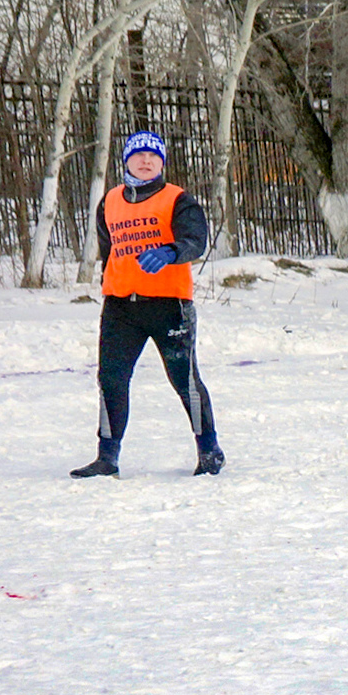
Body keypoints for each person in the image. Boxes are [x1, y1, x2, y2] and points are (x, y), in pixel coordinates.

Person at [70, 130, 223, 478]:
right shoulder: (109, 201)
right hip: (122, 308)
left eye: (153, 156)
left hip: (169, 305)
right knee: (111, 379)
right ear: (126, 161)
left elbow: (195, 241)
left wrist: (171, 252)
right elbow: (108, 250)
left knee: (183, 379)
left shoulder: (177, 199)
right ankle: (107, 457)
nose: (146, 161)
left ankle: (209, 450)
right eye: (138, 155)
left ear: (162, 162)